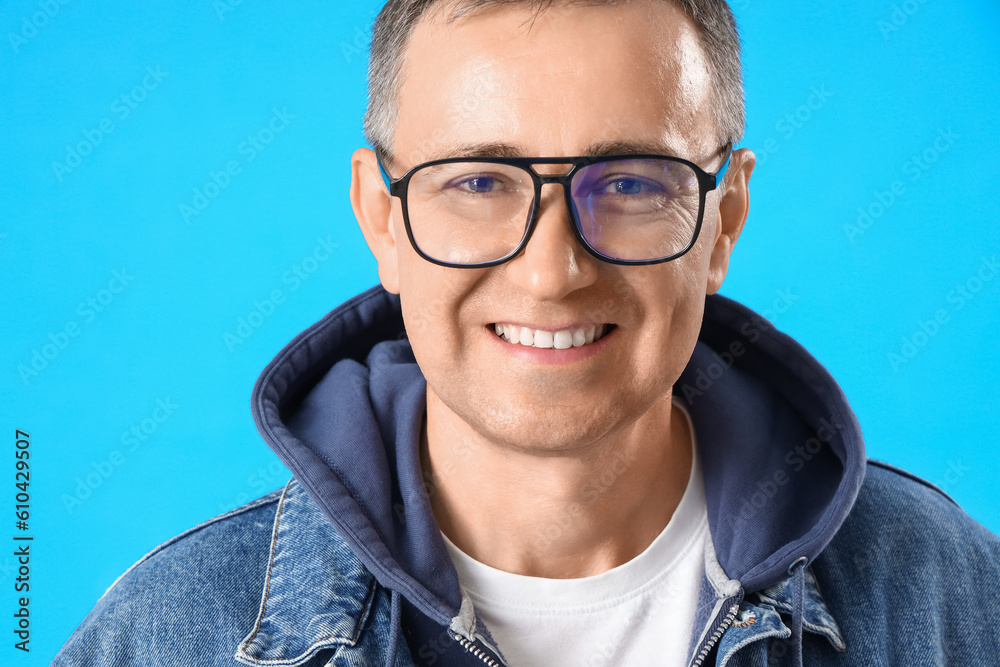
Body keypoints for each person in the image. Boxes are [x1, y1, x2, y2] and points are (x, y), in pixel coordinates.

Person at [55, 0, 1000, 665]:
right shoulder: (168, 633)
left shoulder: (951, 598)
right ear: (380, 220)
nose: (552, 272)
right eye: (477, 181)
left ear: (724, 220)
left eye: (630, 182)